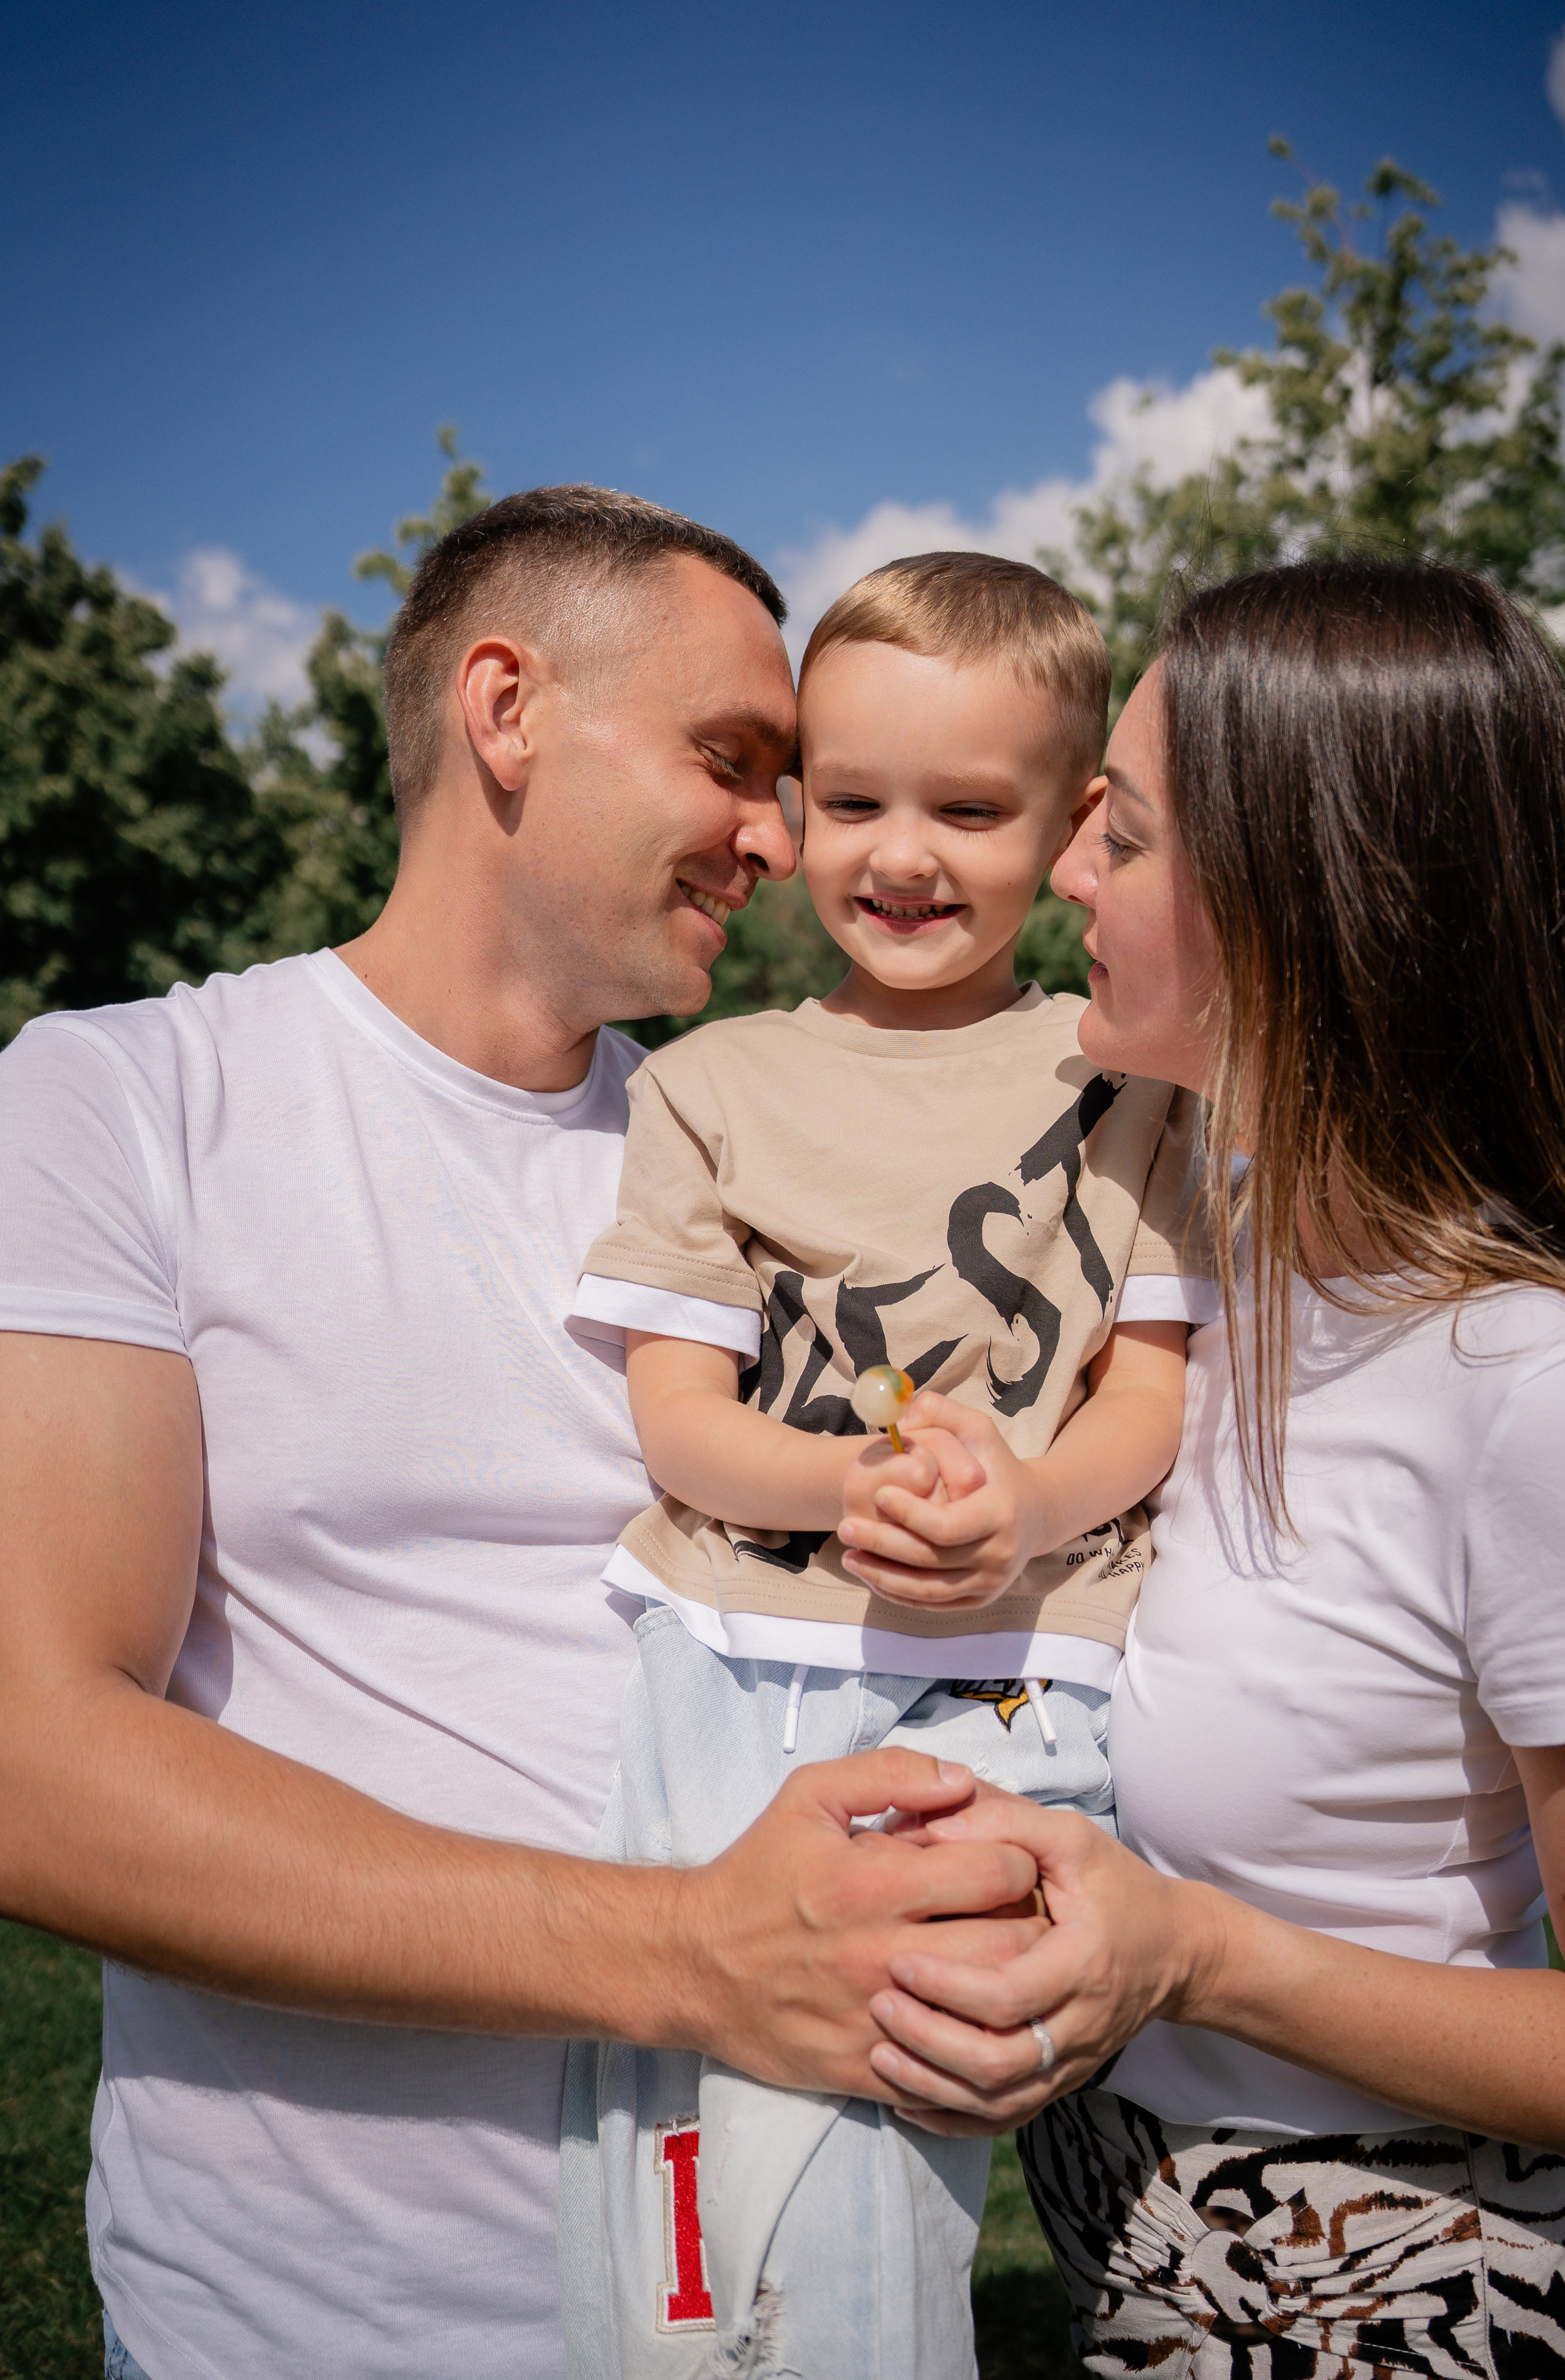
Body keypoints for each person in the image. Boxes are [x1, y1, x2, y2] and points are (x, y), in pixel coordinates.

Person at [0, 488, 1041, 2380]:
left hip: (788, 2309)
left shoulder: (752, 1156)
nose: (781, 838)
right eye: (732, 761)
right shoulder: (125, 1101)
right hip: (305, 2335)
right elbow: (34, 1766)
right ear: (506, 709)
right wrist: (693, 1956)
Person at [846, 559, 1565, 2379]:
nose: (1066, 872)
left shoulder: (1550, 1398)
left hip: (1398, 2302)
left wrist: (1201, 1959)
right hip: (1128, 2265)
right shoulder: (1192, 1257)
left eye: (1125, 835)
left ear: (1304, 907)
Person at [555, 552, 1208, 2380]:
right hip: (740, 1663)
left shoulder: (1131, 1080)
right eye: (850, 803)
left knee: (880, 2162)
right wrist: (846, 1489)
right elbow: (680, 1423)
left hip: (1017, 1685)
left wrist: (1029, 1507)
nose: (900, 856)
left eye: (969, 811)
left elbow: (1146, 1399)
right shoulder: (709, 1087)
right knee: (678, 2155)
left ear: (1073, 826)